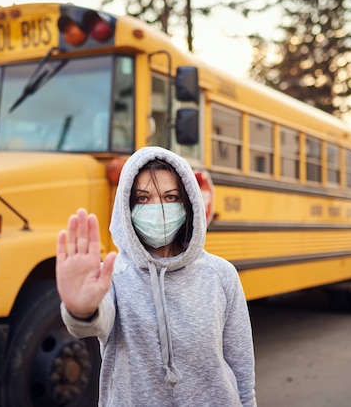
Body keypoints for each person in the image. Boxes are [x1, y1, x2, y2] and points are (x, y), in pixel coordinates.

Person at [56, 146, 257, 406]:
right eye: (143, 198)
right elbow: (94, 322)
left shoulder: (221, 274)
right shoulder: (113, 276)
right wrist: (80, 310)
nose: (158, 208)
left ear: (189, 203)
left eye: (170, 197)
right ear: (126, 209)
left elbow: (241, 370)